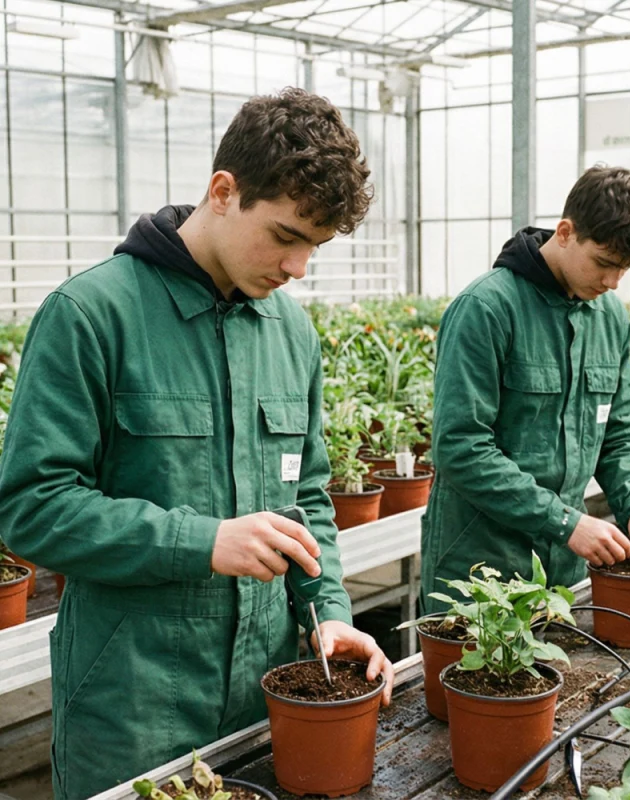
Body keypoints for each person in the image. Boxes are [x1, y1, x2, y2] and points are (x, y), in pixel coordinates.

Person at [0, 88, 394, 800]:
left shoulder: (291, 334)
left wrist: (331, 612)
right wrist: (202, 541)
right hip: (131, 709)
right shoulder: (91, 315)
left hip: (259, 696)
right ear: (223, 191)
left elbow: (307, 496)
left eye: (315, 246)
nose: (298, 267)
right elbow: (32, 506)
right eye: (284, 236)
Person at [421, 166, 630, 607]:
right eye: (604, 263)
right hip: (480, 572)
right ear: (565, 232)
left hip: (564, 572)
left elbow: (619, 435)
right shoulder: (485, 309)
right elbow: (460, 447)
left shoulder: (609, 318)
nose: (613, 282)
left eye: (625, 269)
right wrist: (564, 522)